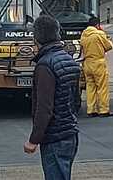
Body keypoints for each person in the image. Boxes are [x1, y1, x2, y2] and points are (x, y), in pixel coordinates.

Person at [24, 15, 82, 180]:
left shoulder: (45, 66)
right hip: (70, 133)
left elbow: (44, 108)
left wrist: (33, 140)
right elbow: (75, 101)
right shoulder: (69, 60)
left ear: (36, 38)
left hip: (55, 137)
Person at [80, 16, 113, 118]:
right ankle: (103, 110)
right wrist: (108, 39)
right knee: (102, 87)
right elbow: (109, 46)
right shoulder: (99, 34)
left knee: (90, 87)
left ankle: (91, 109)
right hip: (98, 62)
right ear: (97, 25)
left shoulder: (84, 35)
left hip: (87, 63)